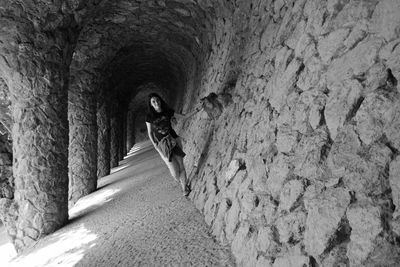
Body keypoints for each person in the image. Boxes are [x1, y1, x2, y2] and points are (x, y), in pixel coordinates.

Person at [145, 93, 202, 196]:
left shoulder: (168, 111)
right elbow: (150, 133)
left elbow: (184, 117)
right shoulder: (149, 117)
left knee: (181, 165)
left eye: (157, 100)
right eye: (153, 101)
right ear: (151, 104)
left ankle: (184, 188)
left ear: (160, 100)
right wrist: (155, 146)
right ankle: (181, 181)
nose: (156, 102)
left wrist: (197, 110)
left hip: (174, 140)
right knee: (174, 172)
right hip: (162, 145)